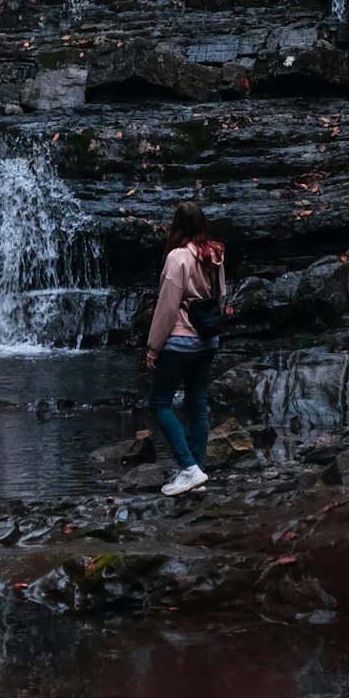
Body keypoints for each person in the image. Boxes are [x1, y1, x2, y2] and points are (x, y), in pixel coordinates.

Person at [145, 201, 226, 496]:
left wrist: (153, 348)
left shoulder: (177, 257)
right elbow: (221, 297)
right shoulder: (215, 254)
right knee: (197, 403)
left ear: (177, 226)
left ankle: (189, 468)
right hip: (207, 341)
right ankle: (198, 470)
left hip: (180, 341)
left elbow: (166, 308)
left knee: (160, 403)